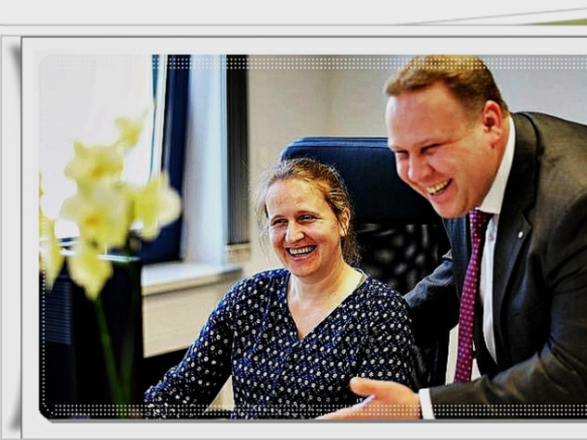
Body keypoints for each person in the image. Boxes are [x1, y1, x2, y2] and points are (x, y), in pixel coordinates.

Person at [321, 55, 587, 420]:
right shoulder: (471, 172)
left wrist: (423, 408)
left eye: (430, 148)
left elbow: (578, 379)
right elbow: (469, 264)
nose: (416, 174)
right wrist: (363, 330)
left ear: (489, 123)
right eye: (401, 153)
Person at [144, 157, 416, 419]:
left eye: (306, 217)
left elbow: (375, 429)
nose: (292, 236)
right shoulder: (248, 297)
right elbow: (179, 394)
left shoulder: (382, 312)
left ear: (342, 220)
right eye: (279, 222)